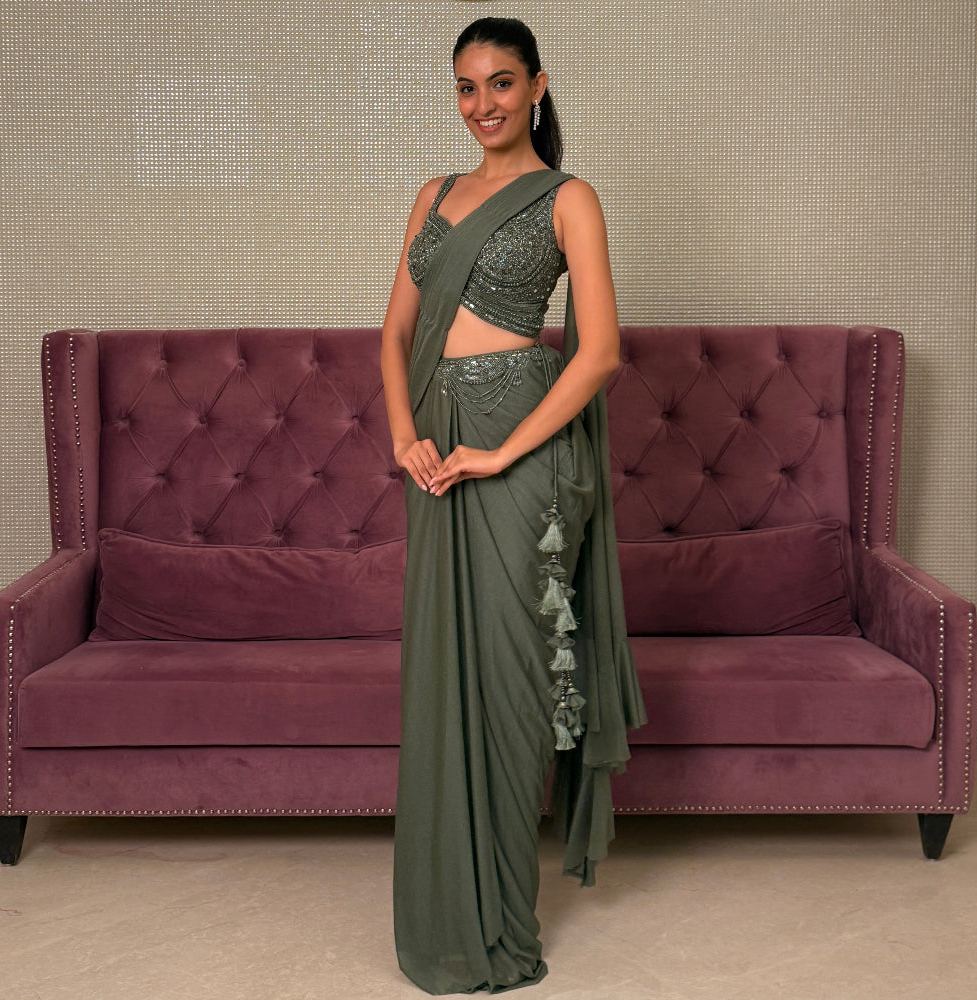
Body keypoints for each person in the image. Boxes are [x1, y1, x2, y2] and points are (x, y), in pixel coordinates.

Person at [381, 16, 646, 995]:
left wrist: (501, 450)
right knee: (442, 673)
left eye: (500, 82)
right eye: (465, 86)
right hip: (436, 455)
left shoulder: (569, 198)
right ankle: (450, 915)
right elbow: (394, 333)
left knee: (512, 677)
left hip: (519, 454)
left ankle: (502, 916)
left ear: (537, 85)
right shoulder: (432, 196)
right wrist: (404, 434)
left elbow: (600, 352)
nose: (482, 104)